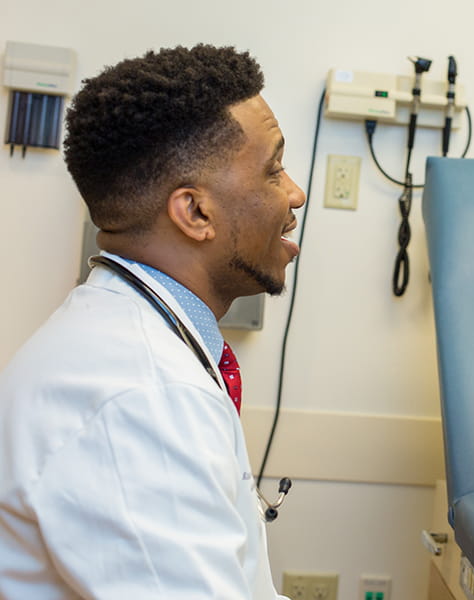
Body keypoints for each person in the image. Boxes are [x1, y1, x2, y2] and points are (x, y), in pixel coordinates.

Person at [0, 44, 305, 598]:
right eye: (273, 170)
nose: (295, 194)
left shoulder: (141, 348)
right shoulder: (139, 395)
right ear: (195, 213)